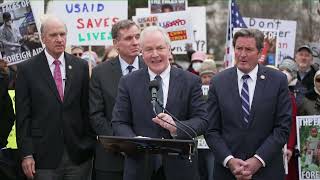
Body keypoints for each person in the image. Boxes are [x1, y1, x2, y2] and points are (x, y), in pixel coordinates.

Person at [111, 26, 208, 180]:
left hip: (180, 169)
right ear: (141, 53)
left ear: (169, 50)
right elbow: (119, 122)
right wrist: (134, 142)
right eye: (149, 49)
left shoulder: (190, 81)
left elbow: (202, 121)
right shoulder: (128, 82)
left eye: (160, 48)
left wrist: (176, 128)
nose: (155, 54)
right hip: (140, 168)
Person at [205, 28, 292, 179]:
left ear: (259, 53)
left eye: (249, 49)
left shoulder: (278, 80)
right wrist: (229, 161)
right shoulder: (218, 82)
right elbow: (211, 130)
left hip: (267, 171)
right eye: (239, 48)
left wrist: (258, 160)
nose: (242, 54)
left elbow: (282, 127)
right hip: (228, 172)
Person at [15, 15, 95, 179]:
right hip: (43, 157)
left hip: (78, 156)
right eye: (53, 35)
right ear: (43, 39)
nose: (59, 39)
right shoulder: (27, 69)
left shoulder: (80, 66)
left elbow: (86, 109)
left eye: (62, 34)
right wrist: (27, 154)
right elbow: (23, 116)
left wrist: (88, 143)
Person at [89, 19, 144, 180]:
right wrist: (121, 144)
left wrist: (143, 144)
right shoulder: (100, 73)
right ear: (115, 43)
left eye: (137, 37)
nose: (135, 42)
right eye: (128, 38)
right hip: (111, 159)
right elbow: (96, 115)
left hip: (147, 157)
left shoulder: (151, 67)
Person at [278, 58, 299, 180]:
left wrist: (290, 146)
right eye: (282, 70)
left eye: (288, 71)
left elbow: (292, 122)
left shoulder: (290, 97)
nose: (284, 73)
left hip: (284, 147)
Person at [197, 59, 217, 180]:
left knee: (212, 173)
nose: (207, 79)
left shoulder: (220, 92)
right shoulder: (196, 93)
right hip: (198, 142)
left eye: (210, 76)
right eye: (204, 76)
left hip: (212, 143)